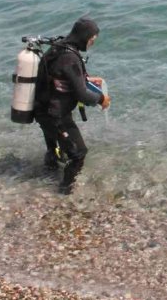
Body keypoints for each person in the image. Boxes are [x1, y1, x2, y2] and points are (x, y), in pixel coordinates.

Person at [33, 17, 110, 194]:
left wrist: (85, 80)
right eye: (92, 39)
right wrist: (101, 99)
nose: (92, 43)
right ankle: (64, 192)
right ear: (85, 37)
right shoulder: (70, 57)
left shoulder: (58, 48)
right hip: (55, 115)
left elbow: (59, 75)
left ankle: (48, 173)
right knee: (79, 154)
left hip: (42, 109)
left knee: (54, 148)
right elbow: (82, 95)